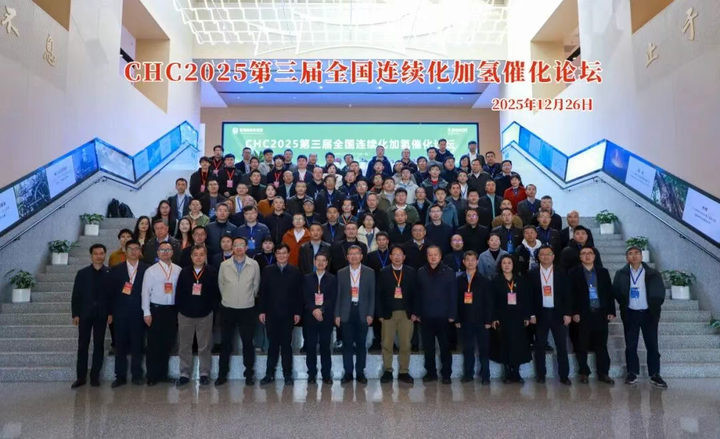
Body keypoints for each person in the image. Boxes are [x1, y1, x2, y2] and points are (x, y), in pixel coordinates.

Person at [613, 246, 668, 388]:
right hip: (630, 313)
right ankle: (632, 372)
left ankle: (655, 374)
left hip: (648, 313)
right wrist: (624, 304)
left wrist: (654, 307)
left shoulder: (653, 273)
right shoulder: (621, 273)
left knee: (652, 345)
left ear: (641, 256)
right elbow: (617, 291)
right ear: (627, 258)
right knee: (631, 345)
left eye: (637, 253)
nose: (634, 256)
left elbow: (660, 292)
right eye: (630, 254)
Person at [216, 236, 262, 386]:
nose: (239, 247)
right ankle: (222, 374)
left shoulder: (254, 264)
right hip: (228, 308)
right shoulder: (224, 265)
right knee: (225, 342)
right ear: (232, 248)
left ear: (246, 247)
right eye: (236, 245)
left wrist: (247, 298)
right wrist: (228, 298)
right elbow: (221, 285)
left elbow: (256, 286)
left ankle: (249, 373)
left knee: (248, 342)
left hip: (247, 308)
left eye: (242, 245)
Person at [569, 247, 616, 385]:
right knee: (581, 344)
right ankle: (584, 372)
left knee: (601, 345)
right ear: (580, 257)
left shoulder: (603, 272)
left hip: (600, 313)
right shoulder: (573, 272)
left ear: (594, 256)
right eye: (583, 254)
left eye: (590, 253)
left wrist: (611, 311)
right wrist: (574, 312)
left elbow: (609, 292)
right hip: (583, 314)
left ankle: (603, 373)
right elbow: (571, 294)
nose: (587, 256)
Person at [258, 244, 303, 385]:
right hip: (271, 313)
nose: (282, 255)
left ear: (288, 254)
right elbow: (263, 292)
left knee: (286, 345)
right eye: (279, 253)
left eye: (284, 253)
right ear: (275, 255)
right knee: (272, 344)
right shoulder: (268, 270)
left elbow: (299, 294)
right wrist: (262, 310)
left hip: (288, 314)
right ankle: (269, 373)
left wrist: (298, 312)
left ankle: (287, 374)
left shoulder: (295, 271)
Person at [175, 245, 219, 386]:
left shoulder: (211, 271)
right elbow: (179, 292)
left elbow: (215, 293)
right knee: (184, 346)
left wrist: (211, 309)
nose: (198, 257)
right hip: (186, 314)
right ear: (191, 257)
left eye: (201, 254)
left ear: (205, 256)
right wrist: (181, 309)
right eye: (196, 254)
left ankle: (204, 373)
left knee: (204, 346)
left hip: (205, 314)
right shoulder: (184, 272)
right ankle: (184, 373)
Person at [529, 245, 572, 385]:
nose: (545, 257)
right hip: (540, 314)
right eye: (542, 254)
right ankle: (541, 374)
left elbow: (568, 294)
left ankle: (564, 375)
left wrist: (568, 313)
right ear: (538, 257)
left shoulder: (562, 272)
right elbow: (529, 296)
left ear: (553, 256)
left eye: (548, 254)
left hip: (558, 314)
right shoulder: (532, 273)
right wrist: (531, 314)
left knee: (561, 346)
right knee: (539, 346)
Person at [414, 245, 457, 384]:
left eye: (435, 255)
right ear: (427, 257)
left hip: (444, 316)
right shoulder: (421, 271)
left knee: (445, 346)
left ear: (440, 256)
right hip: (426, 315)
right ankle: (431, 372)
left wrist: (452, 313)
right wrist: (417, 312)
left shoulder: (449, 272)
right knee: (428, 347)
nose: (433, 257)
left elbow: (453, 295)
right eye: (430, 255)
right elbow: (417, 294)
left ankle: (446, 374)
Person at [71, 244, 111, 389]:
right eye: (96, 253)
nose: (99, 256)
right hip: (84, 314)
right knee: (83, 345)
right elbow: (76, 295)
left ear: (105, 255)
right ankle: (81, 377)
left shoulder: (110, 273)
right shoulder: (82, 273)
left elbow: (112, 296)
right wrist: (75, 314)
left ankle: (95, 376)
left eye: (101, 253)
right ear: (91, 255)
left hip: (102, 315)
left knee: (99, 345)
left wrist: (111, 313)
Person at [141, 241, 181, 386]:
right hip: (156, 310)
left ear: (172, 252)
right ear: (158, 253)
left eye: (168, 250)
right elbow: (145, 292)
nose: (165, 252)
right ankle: (152, 375)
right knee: (154, 344)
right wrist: (146, 312)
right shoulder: (151, 271)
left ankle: (163, 374)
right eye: (162, 250)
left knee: (167, 343)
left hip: (172, 311)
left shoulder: (178, 270)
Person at [109, 240, 148, 387]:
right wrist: (110, 312)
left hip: (139, 312)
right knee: (120, 345)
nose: (133, 251)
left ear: (140, 251)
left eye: (136, 248)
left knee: (138, 344)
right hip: (120, 313)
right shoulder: (116, 269)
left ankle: (137, 375)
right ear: (125, 251)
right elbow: (110, 293)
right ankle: (120, 376)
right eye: (130, 248)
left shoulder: (146, 269)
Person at [335, 245, 375, 384]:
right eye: (351, 254)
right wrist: (337, 314)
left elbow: (372, 295)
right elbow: (338, 295)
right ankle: (348, 372)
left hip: (363, 311)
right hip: (346, 311)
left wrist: (370, 313)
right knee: (346, 344)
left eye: (356, 253)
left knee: (361, 344)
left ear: (361, 256)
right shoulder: (341, 272)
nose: (354, 256)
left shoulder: (369, 272)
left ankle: (360, 373)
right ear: (347, 257)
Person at [377, 245, 416, 384]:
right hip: (388, 314)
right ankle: (388, 370)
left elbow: (416, 294)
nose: (397, 257)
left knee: (405, 344)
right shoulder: (383, 272)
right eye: (394, 254)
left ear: (404, 257)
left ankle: (404, 371)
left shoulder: (411, 272)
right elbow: (378, 295)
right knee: (387, 343)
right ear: (390, 256)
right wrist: (380, 314)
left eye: (400, 254)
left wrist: (415, 312)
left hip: (407, 314)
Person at [491, 254, 531, 383]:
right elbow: (492, 301)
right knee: (504, 344)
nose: (507, 265)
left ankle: (516, 372)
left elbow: (526, 299)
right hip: (503, 318)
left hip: (518, 317)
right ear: (500, 265)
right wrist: (494, 317)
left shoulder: (521, 280)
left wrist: (526, 316)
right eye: (504, 263)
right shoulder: (495, 281)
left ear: (513, 265)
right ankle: (507, 372)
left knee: (518, 344)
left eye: (509, 263)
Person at [456, 250, 492, 384]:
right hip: (465, 319)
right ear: (464, 262)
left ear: (477, 262)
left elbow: (489, 302)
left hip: (482, 320)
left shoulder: (484, 280)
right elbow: (456, 301)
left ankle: (485, 376)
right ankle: (468, 374)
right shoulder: (459, 280)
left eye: (473, 260)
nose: (470, 262)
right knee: (467, 348)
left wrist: (488, 320)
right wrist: (457, 318)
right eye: (468, 260)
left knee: (484, 349)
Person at [303, 252, 337, 385]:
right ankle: (311, 374)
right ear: (314, 262)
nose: (321, 263)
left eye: (323, 260)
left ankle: (326, 374)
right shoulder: (307, 278)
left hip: (326, 317)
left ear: (327, 263)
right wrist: (314, 309)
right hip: (310, 317)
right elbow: (305, 296)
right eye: (318, 260)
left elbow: (332, 297)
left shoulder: (333, 278)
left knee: (325, 346)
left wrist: (321, 310)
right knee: (310, 346)